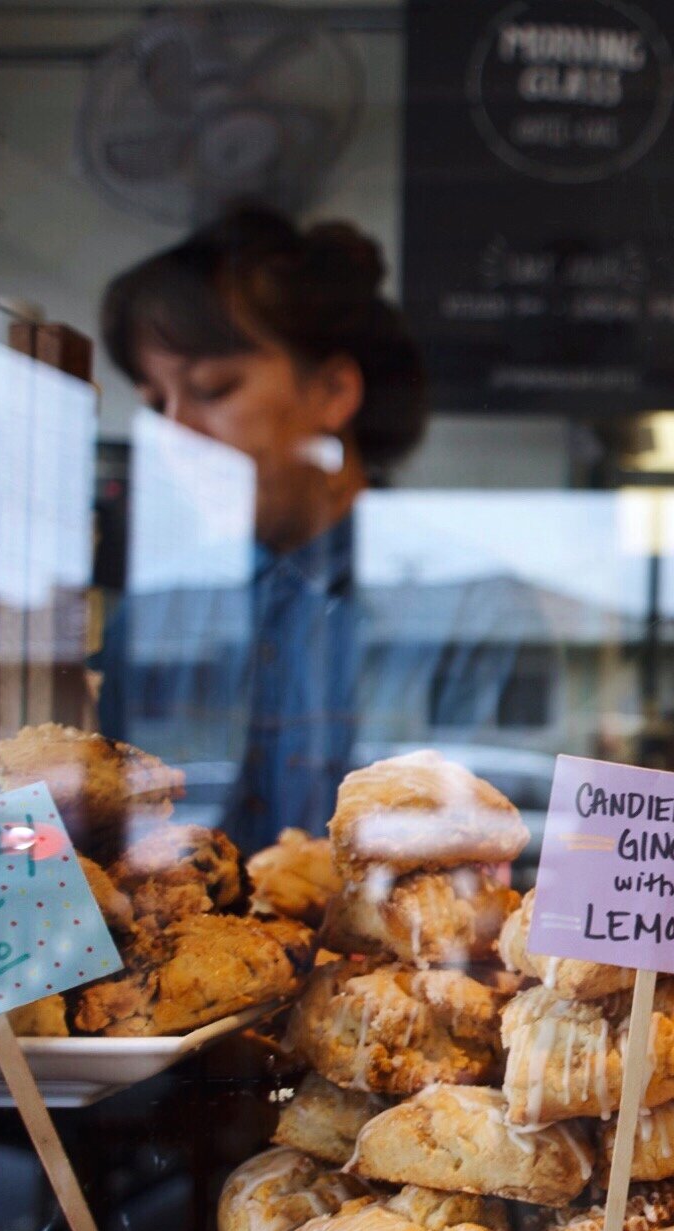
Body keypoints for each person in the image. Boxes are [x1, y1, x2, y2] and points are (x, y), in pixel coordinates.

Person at [97, 206, 427, 852]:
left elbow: (507, 876)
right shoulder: (149, 619)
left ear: (333, 390)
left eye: (212, 389)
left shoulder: (462, 606)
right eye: (155, 403)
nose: (174, 435)